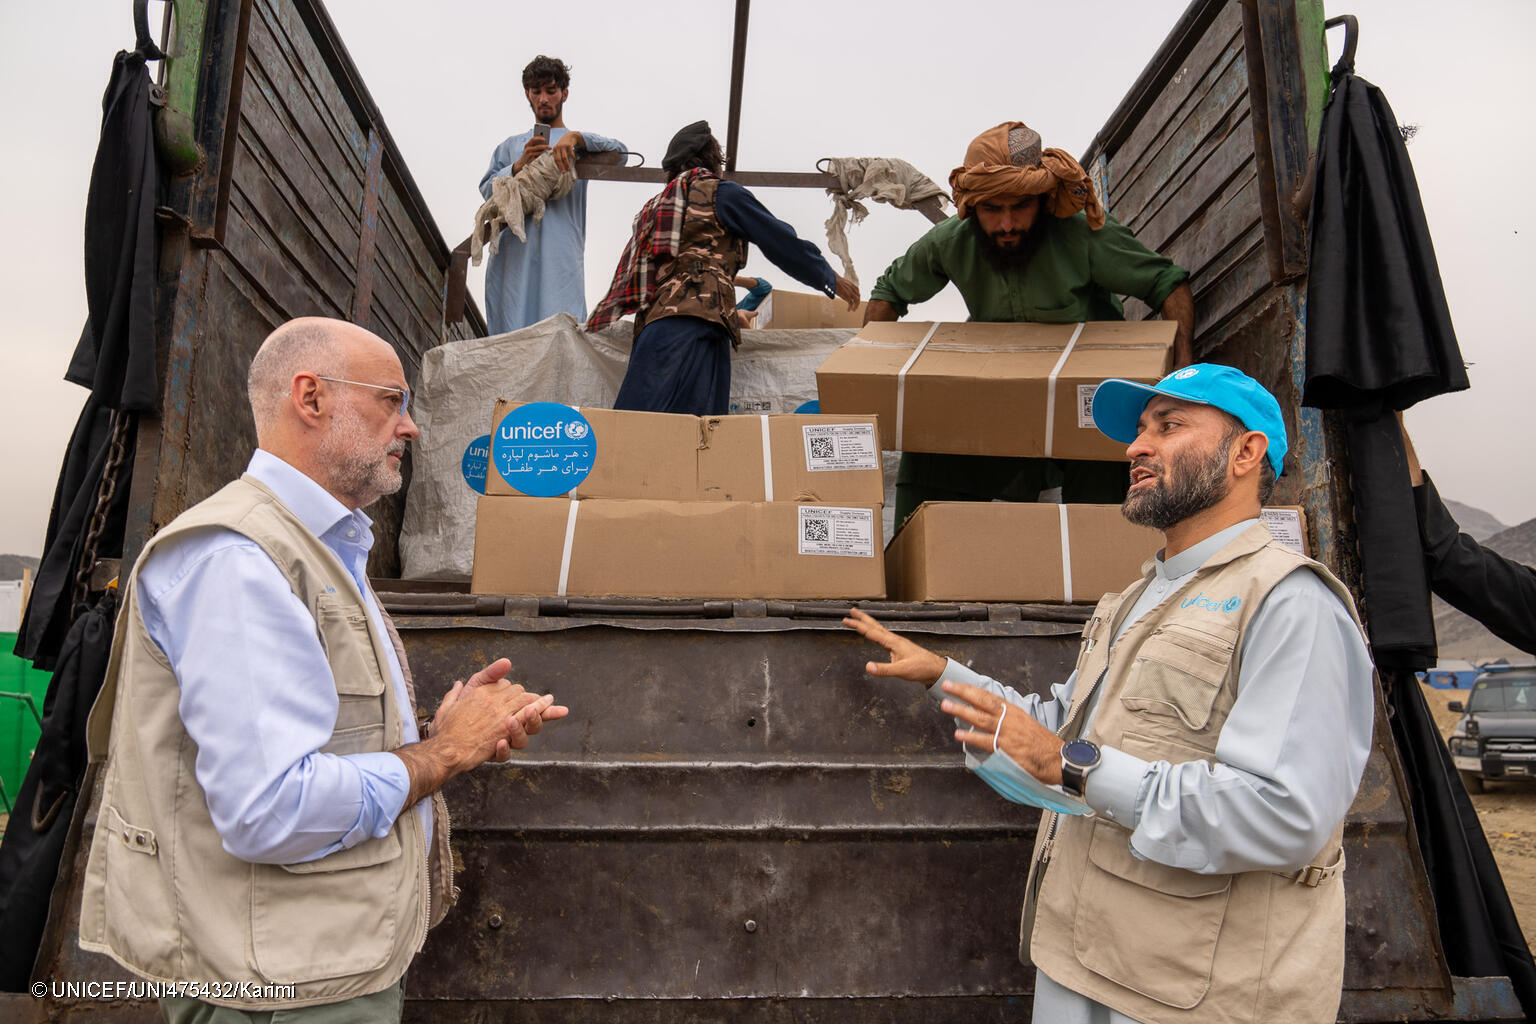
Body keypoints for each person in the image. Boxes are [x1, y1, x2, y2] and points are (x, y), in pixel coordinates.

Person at [844, 363, 1375, 1023]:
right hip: (1084, 959)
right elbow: (1064, 731)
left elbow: (1284, 815)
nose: (1135, 448)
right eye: (1139, 430)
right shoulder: (1136, 598)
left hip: (1190, 997)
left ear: (1245, 452)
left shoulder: (1292, 604)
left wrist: (1073, 767)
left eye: (1169, 426)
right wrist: (943, 675)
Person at [78, 317, 569, 1019]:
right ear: (310, 398)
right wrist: (446, 752)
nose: (410, 427)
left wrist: (443, 729)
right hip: (278, 992)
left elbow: (311, 740)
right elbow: (269, 809)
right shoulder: (238, 559)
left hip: (318, 967)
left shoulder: (317, 543)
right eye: (391, 401)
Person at [866, 121, 1196, 526]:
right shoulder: (951, 241)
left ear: (1041, 200)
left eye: (1020, 206)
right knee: (927, 446)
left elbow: (1168, 284)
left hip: (1087, 395)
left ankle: (1105, 558)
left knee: (1106, 462)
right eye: (992, 209)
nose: (1007, 224)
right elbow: (887, 295)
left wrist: (1183, 374)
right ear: (972, 208)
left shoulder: (1083, 234)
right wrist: (871, 372)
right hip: (1002, 392)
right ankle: (915, 554)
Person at [588, 121, 858, 415]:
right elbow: (780, 240)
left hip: (654, 329)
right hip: (696, 328)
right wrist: (828, 277)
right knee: (695, 430)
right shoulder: (719, 193)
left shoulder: (654, 208)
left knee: (643, 425)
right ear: (713, 159)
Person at [479, 55, 626, 333]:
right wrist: (518, 166)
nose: (543, 99)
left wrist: (577, 138)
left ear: (564, 94)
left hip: (561, 259)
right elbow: (488, 193)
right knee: (511, 340)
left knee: (562, 336)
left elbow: (621, 155)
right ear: (527, 95)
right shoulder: (510, 147)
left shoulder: (579, 146)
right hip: (514, 261)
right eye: (536, 91)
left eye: (551, 90)